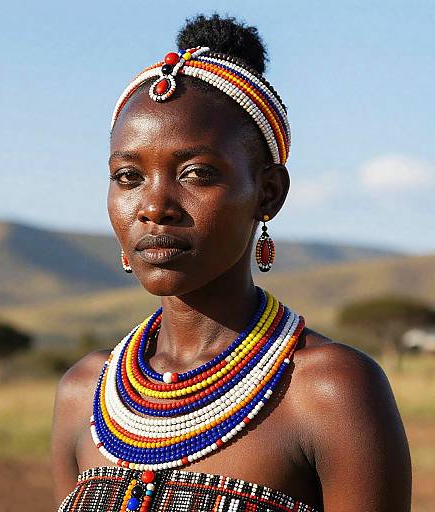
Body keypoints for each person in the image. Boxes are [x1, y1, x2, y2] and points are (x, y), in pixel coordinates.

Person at [51, 14, 411, 512]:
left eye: (196, 173)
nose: (154, 206)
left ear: (268, 193)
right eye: (129, 176)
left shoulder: (329, 391)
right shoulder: (83, 393)